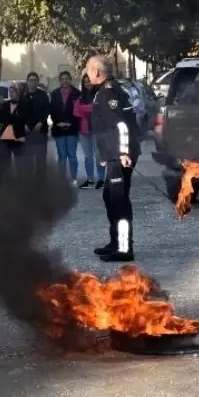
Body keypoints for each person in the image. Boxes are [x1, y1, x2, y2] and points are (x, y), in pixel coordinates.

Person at [87, 55, 140, 262]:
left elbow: (121, 126)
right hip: (112, 156)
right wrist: (104, 155)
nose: (87, 73)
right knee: (109, 197)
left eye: (88, 69)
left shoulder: (107, 93)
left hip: (120, 156)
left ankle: (125, 248)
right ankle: (115, 241)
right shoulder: (108, 90)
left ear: (97, 72)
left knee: (119, 201)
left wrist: (124, 152)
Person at [48, 70, 81, 183]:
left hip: (72, 128)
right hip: (59, 129)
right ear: (59, 81)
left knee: (72, 155)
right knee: (62, 155)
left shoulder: (77, 93)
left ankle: (73, 178)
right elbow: (52, 111)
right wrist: (58, 122)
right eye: (62, 79)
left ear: (70, 80)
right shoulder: (54, 93)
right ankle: (62, 179)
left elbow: (78, 111)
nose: (65, 81)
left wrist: (70, 123)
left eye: (67, 78)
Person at [21, 71, 51, 181]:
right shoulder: (22, 95)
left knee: (41, 159)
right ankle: (28, 182)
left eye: (35, 80)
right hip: (26, 132)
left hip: (40, 131)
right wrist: (23, 124)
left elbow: (47, 110)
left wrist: (41, 122)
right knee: (27, 159)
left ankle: (41, 181)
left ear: (37, 82)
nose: (32, 82)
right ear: (27, 82)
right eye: (30, 80)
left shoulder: (43, 95)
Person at [0, 82, 28, 182]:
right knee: (5, 160)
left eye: (13, 91)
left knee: (20, 160)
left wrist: (10, 118)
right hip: (6, 135)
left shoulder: (24, 104)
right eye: (10, 92)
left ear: (19, 92)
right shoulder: (5, 104)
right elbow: (0, 119)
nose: (11, 93)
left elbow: (22, 118)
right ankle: (8, 180)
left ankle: (21, 180)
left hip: (19, 135)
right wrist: (12, 118)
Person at [75, 76, 102, 189]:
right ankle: (90, 179)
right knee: (88, 157)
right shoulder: (80, 96)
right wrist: (91, 108)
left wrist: (84, 109)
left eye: (89, 81)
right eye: (85, 82)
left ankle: (102, 179)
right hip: (84, 130)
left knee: (99, 156)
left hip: (97, 129)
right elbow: (76, 111)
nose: (87, 84)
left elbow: (100, 108)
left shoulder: (100, 94)